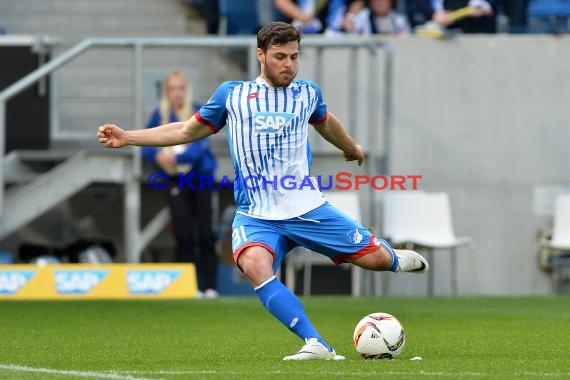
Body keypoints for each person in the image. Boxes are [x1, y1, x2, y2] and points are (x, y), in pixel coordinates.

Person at [98, 22, 429, 360]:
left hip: (305, 206)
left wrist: (352, 146)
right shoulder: (233, 95)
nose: (288, 64)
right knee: (254, 264)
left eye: (294, 57)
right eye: (280, 57)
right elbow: (185, 130)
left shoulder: (307, 93)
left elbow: (327, 122)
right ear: (261, 55)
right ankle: (316, 344)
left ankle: (394, 258)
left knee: (376, 260)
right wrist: (128, 138)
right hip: (256, 213)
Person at [142, 70, 219, 299]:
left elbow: (200, 145)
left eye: (180, 88)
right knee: (183, 234)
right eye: (172, 89)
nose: (176, 93)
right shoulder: (160, 115)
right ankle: (190, 287)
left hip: (201, 178)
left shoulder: (197, 112)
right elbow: (146, 142)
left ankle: (211, 287)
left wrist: (178, 158)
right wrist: (157, 156)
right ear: (167, 92)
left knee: (206, 233)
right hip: (175, 180)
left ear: (186, 91)